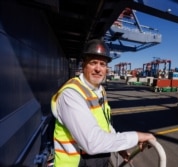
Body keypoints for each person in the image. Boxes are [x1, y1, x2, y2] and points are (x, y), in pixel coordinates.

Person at [51, 39, 156, 167]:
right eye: (93, 63)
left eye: (102, 64)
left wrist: (119, 147)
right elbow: (92, 143)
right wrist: (137, 136)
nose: (98, 69)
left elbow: (105, 125)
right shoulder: (71, 94)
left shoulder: (99, 90)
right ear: (83, 65)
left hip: (98, 161)